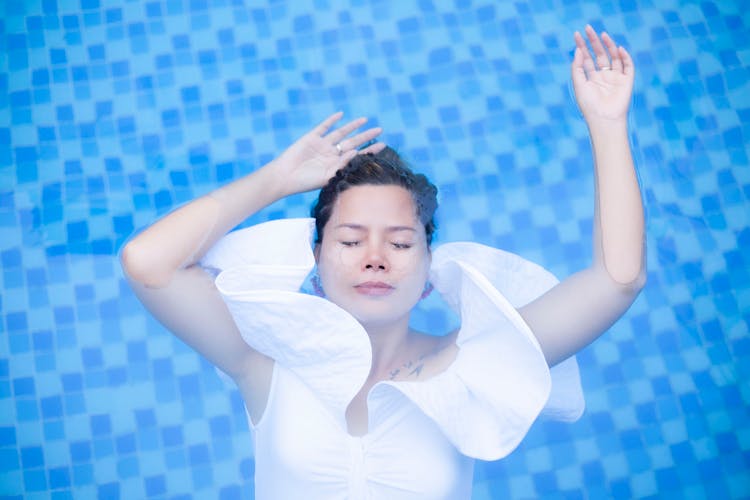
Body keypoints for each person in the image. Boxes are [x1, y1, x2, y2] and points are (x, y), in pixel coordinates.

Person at [120, 26, 645, 499]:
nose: (375, 259)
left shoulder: (473, 360)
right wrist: (275, 181)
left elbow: (617, 280)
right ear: (317, 263)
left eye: (399, 243)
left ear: (427, 274)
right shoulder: (264, 361)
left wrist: (607, 124)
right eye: (350, 242)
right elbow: (148, 263)